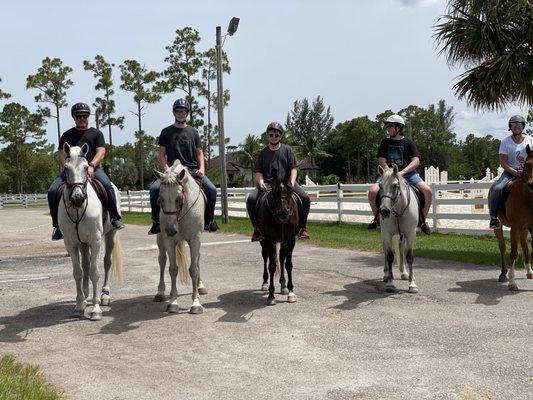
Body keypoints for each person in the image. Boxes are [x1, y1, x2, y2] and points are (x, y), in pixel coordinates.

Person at [47, 102, 125, 240]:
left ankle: (114, 217)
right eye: (78, 116)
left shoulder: (96, 134)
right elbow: (61, 153)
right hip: (72, 170)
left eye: (84, 116)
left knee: (107, 186)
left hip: (93, 169)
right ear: (74, 118)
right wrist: (67, 165)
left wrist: (92, 165)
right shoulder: (67, 135)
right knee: (52, 191)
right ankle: (57, 226)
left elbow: (101, 152)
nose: (82, 118)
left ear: (88, 117)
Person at [148, 98, 218, 234]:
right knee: (154, 188)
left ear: (187, 113)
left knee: (212, 189)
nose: (180, 113)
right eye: (178, 111)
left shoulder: (193, 132)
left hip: (191, 170)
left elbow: (199, 153)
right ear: (174, 113)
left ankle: (209, 221)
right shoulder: (166, 132)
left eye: (183, 111)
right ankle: (156, 222)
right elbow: (161, 155)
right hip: (172, 171)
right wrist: (166, 168)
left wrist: (202, 169)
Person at [367, 114, 432, 235]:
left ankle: (422, 220)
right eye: (387, 126)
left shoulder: (408, 143)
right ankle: (377, 219)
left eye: (390, 126)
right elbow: (381, 160)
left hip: (408, 174)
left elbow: (416, 161)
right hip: (388, 174)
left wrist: (402, 172)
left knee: (427, 191)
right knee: (372, 192)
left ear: (398, 128)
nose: (388, 128)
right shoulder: (385, 142)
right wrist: (388, 172)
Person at [245, 122, 310, 242]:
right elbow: (258, 171)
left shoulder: (287, 150)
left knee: (305, 198)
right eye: (271, 135)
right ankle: (257, 229)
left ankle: (302, 227)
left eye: (276, 134)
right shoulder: (263, 153)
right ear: (267, 136)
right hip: (268, 183)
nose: (274, 137)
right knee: (251, 199)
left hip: (286, 183)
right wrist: (261, 182)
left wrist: (292, 181)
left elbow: (294, 168)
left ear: (281, 136)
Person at [488, 115, 532, 229]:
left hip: (529, 172)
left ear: (523, 126)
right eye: (514, 124)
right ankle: (494, 218)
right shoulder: (505, 142)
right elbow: (503, 163)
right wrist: (516, 172)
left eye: (519, 124)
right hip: (510, 172)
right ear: (510, 127)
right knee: (497, 189)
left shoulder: (530, 140)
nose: (517, 126)